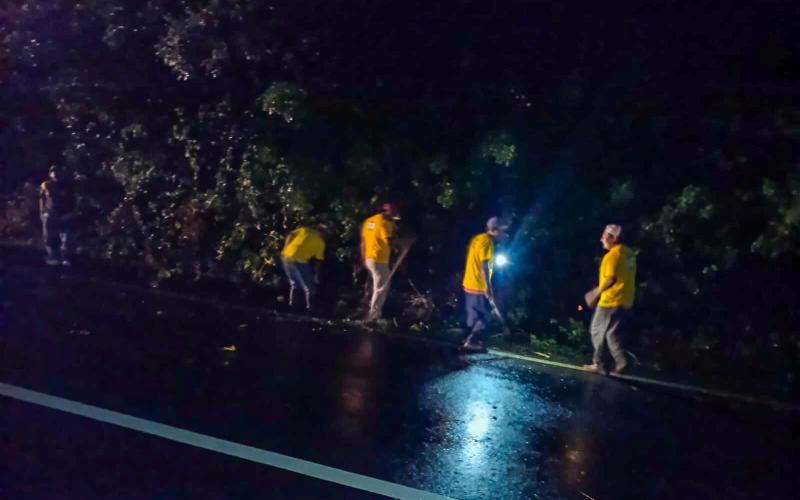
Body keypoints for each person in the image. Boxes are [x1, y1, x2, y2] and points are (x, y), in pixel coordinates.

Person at [583, 224, 637, 374]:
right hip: (626, 299)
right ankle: (622, 361)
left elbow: (610, 279)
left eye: (605, 235)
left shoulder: (612, 256)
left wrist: (594, 293)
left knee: (596, 330)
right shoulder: (628, 253)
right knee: (611, 333)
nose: (602, 238)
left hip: (611, 300)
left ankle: (599, 364)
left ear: (613, 238)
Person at [461, 217, 509, 352]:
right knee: (487, 315)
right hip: (478, 285)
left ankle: (466, 339)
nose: (503, 235)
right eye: (501, 231)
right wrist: (487, 288)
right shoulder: (488, 243)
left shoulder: (478, 238)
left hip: (469, 282)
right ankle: (470, 341)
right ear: (494, 230)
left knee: (473, 316)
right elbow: (484, 267)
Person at [360, 203, 400, 322]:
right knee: (381, 288)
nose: (394, 218)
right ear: (388, 212)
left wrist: (363, 259)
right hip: (379, 260)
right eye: (393, 215)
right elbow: (389, 241)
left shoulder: (369, 221)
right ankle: (373, 316)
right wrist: (400, 246)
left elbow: (363, 241)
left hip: (369, 258)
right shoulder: (384, 223)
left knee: (374, 286)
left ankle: (366, 309)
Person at [280, 224, 326, 313]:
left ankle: (292, 306)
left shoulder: (305, 230)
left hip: (286, 256)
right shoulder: (321, 242)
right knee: (309, 287)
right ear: (323, 233)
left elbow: (290, 234)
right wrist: (316, 275)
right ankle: (310, 310)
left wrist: (286, 247)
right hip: (299, 260)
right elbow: (318, 261)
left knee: (295, 284)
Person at [39, 165, 75, 266]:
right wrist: (42, 213)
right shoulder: (46, 185)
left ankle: (66, 258)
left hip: (65, 214)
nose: (55, 174)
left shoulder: (67, 185)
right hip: (50, 214)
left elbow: (72, 200)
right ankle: (52, 257)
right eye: (53, 171)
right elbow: (42, 199)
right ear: (50, 174)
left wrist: (70, 212)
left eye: (57, 171)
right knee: (50, 237)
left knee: (67, 238)